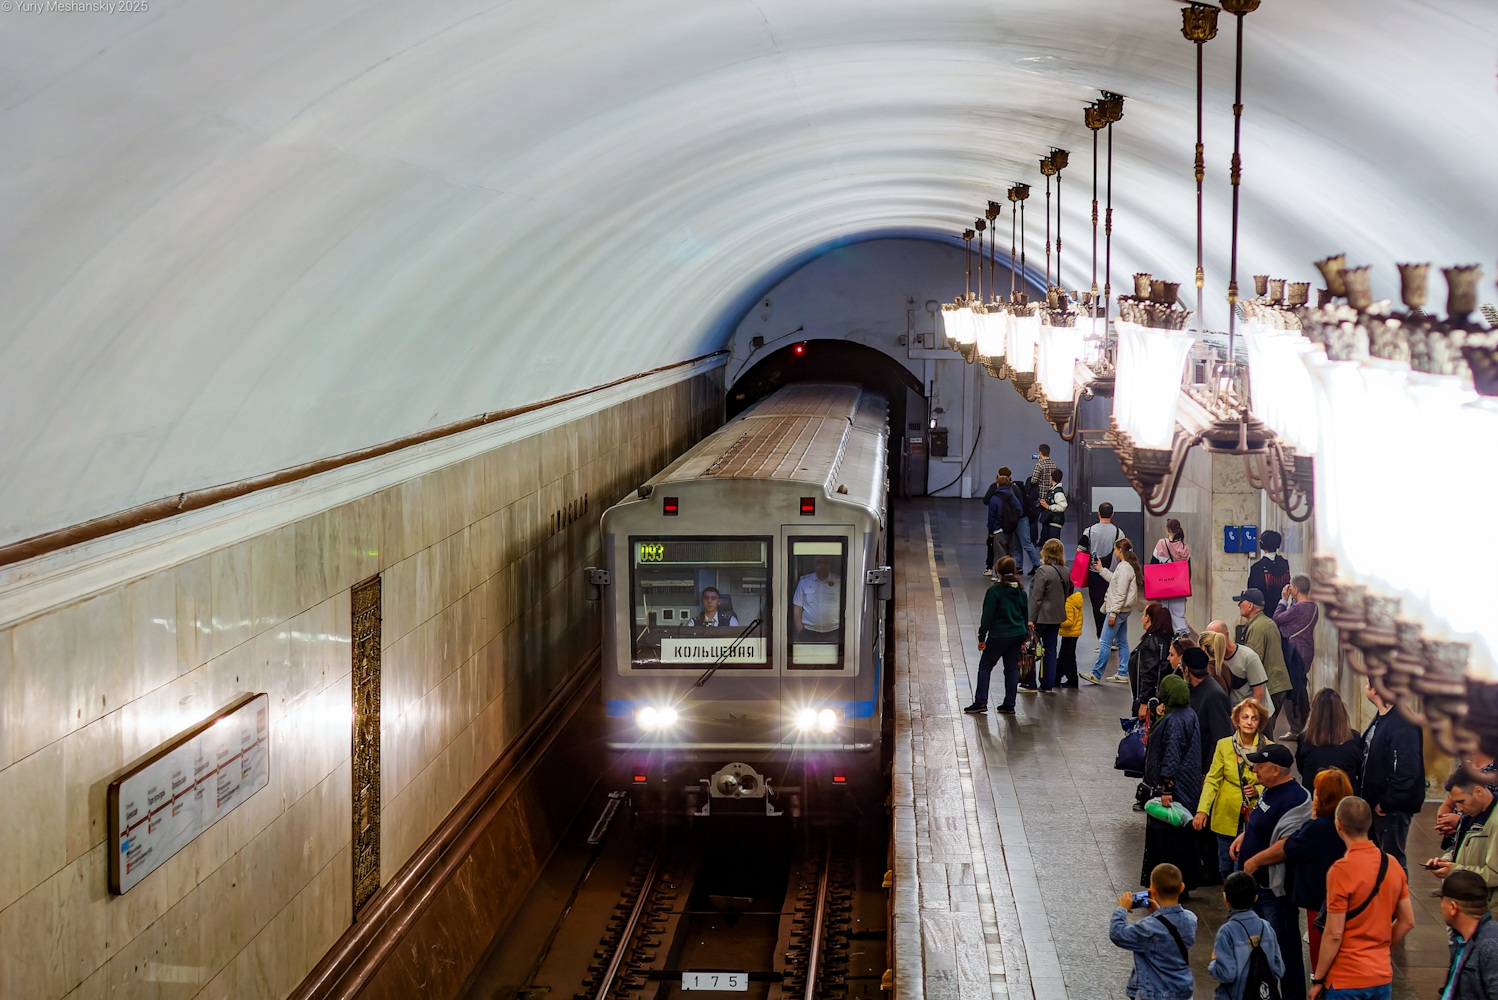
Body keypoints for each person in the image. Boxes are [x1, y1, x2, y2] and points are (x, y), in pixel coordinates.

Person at [1308, 796, 1416, 1000]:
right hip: (1381, 975)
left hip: (1346, 977)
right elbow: (1407, 921)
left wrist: (1318, 978)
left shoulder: (1341, 870)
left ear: (1338, 825)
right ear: (1369, 823)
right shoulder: (1392, 864)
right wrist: (1380, 947)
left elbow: (1334, 934)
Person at [1234, 743, 1312, 1000]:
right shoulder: (1268, 789)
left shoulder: (1297, 800)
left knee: (1285, 949)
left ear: (1276, 770)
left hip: (1274, 892)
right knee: (1259, 947)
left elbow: (1287, 845)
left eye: (1260, 765)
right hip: (1256, 887)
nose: (1255, 769)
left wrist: (1255, 861)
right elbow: (1261, 823)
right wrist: (1245, 837)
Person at [1264, 767, 1354, 972]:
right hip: (1346, 898)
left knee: (1320, 953)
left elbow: (1292, 847)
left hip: (1319, 900)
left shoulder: (1318, 827)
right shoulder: (1348, 824)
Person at [1141, 675, 1208, 891]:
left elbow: (1171, 755)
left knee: (1168, 839)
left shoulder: (1175, 721)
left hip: (1175, 789)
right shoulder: (1188, 714)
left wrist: (1166, 789)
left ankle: (1166, 884)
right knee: (1182, 838)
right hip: (1188, 786)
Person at [1195, 698, 1273, 882]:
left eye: (1254, 718)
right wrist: (1202, 810)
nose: (1249, 722)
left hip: (1254, 815)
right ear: (1237, 720)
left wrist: (1258, 790)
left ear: (1260, 722)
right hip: (1226, 813)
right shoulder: (1224, 745)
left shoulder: (1269, 748)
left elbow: (1274, 780)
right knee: (1225, 863)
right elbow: (1212, 780)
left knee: (1246, 864)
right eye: (1245, 717)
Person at [1357, 680, 1425, 872]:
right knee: (1378, 862)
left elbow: (1407, 770)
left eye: (1367, 682)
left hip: (1391, 809)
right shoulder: (1384, 716)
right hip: (1377, 805)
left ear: (1376, 689)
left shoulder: (1403, 722)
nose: (1365, 687)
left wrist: (1388, 802)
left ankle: (1397, 892)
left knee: (1392, 863)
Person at [1110, 862, 1199, 1000]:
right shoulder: (1191, 918)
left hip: (1155, 993)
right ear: (1182, 887)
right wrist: (1160, 913)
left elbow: (1117, 933)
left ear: (1152, 889)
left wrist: (1122, 909)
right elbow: (1170, 929)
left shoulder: (1148, 927)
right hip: (1183, 989)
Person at [1425, 771, 1498, 916]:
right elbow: (1462, 849)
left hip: (1486, 912)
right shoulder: (1471, 815)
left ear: (1478, 791)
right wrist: (1445, 861)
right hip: (1467, 909)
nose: (1458, 809)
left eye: (1461, 801)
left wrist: (1454, 871)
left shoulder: (1495, 823)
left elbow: (1495, 874)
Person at [1209, 871, 1286, 1000]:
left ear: (1225, 898)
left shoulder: (1226, 932)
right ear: (1256, 897)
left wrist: (1213, 963)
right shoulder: (1266, 927)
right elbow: (1278, 969)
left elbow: (1227, 974)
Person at [966, 556, 1027, 715]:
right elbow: (1025, 615)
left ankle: (981, 702)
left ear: (998, 571)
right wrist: (1024, 638)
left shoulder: (994, 591)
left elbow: (987, 616)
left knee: (985, 667)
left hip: (999, 636)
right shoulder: (1020, 591)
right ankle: (1009, 704)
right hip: (1017, 634)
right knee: (1011, 669)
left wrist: (982, 638)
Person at [1233, 589, 1294, 737]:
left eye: (1242, 602)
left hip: (1270, 687)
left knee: (1263, 734)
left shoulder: (1258, 627)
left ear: (1250, 605)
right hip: (1277, 685)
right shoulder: (1265, 622)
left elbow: (1252, 661)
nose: (1239, 605)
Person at [1088, 537, 1143, 685]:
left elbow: (1120, 593)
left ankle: (1096, 673)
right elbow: (1115, 580)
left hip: (1117, 611)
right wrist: (1100, 569)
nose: (1114, 552)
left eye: (1114, 549)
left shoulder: (1124, 568)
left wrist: (1113, 613)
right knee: (1122, 642)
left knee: (1105, 642)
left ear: (1120, 550)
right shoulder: (1125, 566)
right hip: (1123, 610)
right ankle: (1123, 672)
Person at [1437, 870, 1498, 999]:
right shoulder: (1460, 938)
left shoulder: (1491, 947)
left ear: (1453, 907)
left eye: (1442, 901)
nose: (1441, 907)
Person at [1024, 538, 1071, 694]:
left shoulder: (1043, 571)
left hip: (1041, 617)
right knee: (1051, 650)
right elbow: (1068, 592)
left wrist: (1030, 619)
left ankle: (1030, 683)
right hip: (1056, 617)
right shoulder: (1066, 570)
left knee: (1031, 649)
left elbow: (1036, 597)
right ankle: (1047, 684)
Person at [1295, 688, 1363, 792]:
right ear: (1342, 711)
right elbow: (1359, 769)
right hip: (1345, 795)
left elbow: (1301, 768)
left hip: (1315, 794)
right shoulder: (1353, 738)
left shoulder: (1305, 738)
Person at [1080, 502, 1127, 637]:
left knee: (1097, 606)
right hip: (1113, 575)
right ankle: (1111, 635)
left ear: (1098, 513)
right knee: (1112, 605)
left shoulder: (1089, 531)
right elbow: (1125, 553)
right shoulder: (1119, 532)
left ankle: (1101, 636)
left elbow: (1080, 550)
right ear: (1112, 514)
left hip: (1094, 574)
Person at [1184, 646, 1233, 770]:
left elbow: (1221, 737)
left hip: (1206, 766)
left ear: (1186, 670)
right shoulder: (1194, 689)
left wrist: (1209, 770)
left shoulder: (1214, 695)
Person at [1204, 621, 1270, 709]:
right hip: (1234, 711)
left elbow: (1259, 693)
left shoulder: (1248, 657)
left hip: (1256, 712)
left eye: (1216, 638)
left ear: (1226, 635)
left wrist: (1246, 715)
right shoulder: (1213, 658)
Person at [1131, 602, 1175, 720]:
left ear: (1148, 618)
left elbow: (1148, 674)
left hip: (1150, 702)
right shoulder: (1168, 640)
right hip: (1161, 699)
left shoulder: (1151, 643)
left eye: (1143, 614)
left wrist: (1143, 703)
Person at [1151, 518, 1192, 636]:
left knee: (1163, 611)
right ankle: (1181, 633)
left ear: (1167, 529)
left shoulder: (1161, 544)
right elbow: (1188, 570)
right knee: (1178, 613)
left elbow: (1153, 565)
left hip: (1163, 584)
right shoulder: (1185, 547)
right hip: (1179, 586)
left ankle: (1164, 633)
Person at [1275, 575, 1319, 678]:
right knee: (1301, 681)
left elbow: (1277, 618)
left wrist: (1284, 600)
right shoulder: (1314, 607)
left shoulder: (1298, 608)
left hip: (1294, 653)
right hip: (1307, 651)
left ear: (1295, 589)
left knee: (1294, 684)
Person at [1247, 530, 1292, 619]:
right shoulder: (1284, 564)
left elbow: (1252, 592)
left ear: (1261, 545)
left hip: (1263, 613)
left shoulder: (1257, 567)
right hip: (1282, 609)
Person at [792, 555, 841, 635]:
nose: (822, 566)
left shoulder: (839, 582)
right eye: (819, 562)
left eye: (826, 563)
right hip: (809, 631)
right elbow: (797, 607)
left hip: (835, 631)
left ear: (830, 565)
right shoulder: (804, 582)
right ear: (814, 565)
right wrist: (800, 630)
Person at [985, 472, 1023, 576]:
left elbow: (991, 517)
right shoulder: (1012, 497)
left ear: (997, 484)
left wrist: (991, 531)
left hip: (999, 529)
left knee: (1000, 554)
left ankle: (1000, 575)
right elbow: (1020, 510)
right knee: (1010, 553)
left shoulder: (994, 498)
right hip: (1011, 529)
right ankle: (1010, 574)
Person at [1057, 584, 1084, 689]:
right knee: (1065, 656)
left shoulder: (1068, 603)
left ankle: (1072, 680)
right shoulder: (1075, 601)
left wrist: (1057, 622)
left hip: (1069, 633)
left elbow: (1068, 622)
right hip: (1074, 633)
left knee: (1068, 657)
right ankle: (1057, 677)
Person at [1037, 468, 1067, 543]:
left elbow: (1062, 506)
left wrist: (1048, 506)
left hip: (1055, 522)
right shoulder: (1053, 490)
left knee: (1054, 544)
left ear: (1051, 478)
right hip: (1050, 520)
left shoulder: (1058, 492)